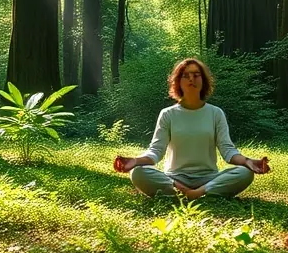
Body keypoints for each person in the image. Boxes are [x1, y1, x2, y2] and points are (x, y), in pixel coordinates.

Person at [113, 58, 270, 199]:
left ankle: (196, 193)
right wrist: (134, 161)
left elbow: (228, 151)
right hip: (175, 178)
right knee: (138, 172)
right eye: (186, 75)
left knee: (245, 173)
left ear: (203, 81)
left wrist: (248, 161)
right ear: (178, 82)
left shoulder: (215, 113)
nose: (191, 79)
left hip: (208, 178)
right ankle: (189, 192)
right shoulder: (168, 114)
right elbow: (156, 151)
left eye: (196, 75)